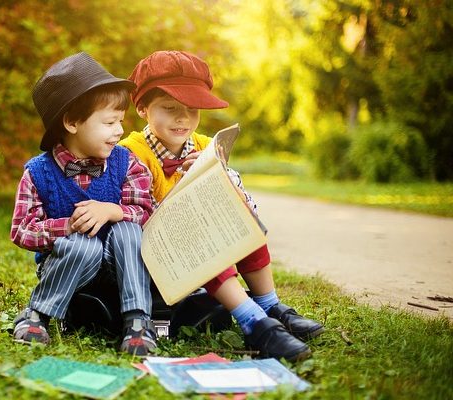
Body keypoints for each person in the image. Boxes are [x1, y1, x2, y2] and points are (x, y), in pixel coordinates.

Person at [119, 50, 324, 362]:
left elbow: (235, 195)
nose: (182, 118)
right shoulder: (130, 153)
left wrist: (216, 176)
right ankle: (253, 321)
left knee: (242, 215)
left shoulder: (203, 146)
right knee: (201, 235)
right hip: (153, 255)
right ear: (144, 108)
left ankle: (269, 304)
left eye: (191, 109)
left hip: (195, 250)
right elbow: (138, 217)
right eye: (169, 108)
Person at [10, 52, 157, 355]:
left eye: (120, 121)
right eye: (109, 122)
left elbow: (145, 212)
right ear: (72, 122)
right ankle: (37, 314)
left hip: (121, 267)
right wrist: (66, 227)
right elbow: (22, 230)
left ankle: (138, 322)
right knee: (82, 243)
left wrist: (113, 210)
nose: (119, 130)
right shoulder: (38, 173)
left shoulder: (127, 163)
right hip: (72, 269)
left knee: (128, 230)